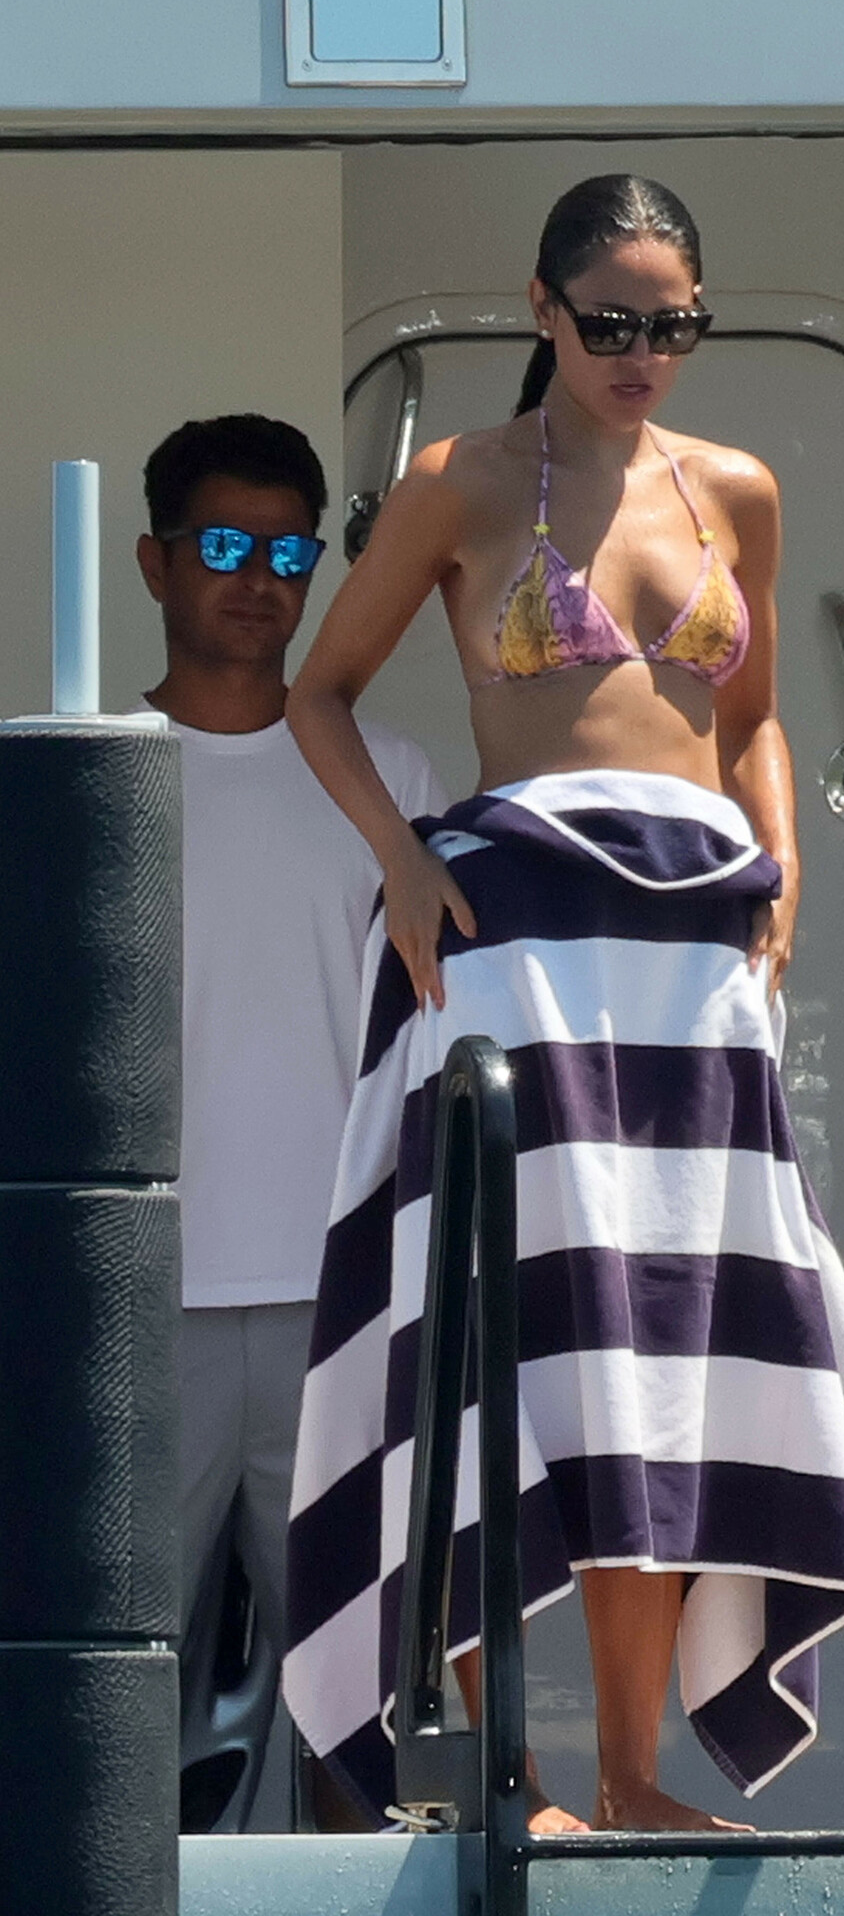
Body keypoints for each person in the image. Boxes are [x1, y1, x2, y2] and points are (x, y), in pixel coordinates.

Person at [282, 176, 844, 1835]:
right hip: (521, 939)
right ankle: (509, 1770)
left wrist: (785, 874)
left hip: (692, 960)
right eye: (611, 321)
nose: (643, 354)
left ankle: (633, 1772)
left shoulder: (738, 489)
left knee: (667, 1346)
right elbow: (320, 693)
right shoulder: (459, 481)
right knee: (510, 1333)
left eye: (674, 325)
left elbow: (750, 718)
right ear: (541, 309)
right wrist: (403, 857)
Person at [135, 413, 448, 1829]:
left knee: (357, 1712)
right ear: (155, 563)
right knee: (118, 1706)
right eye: (222, 545)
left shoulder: (397, 782)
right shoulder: (85, 772)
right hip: (139, 1307)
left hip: (345, 1307)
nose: (257, 579)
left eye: (287, 551)